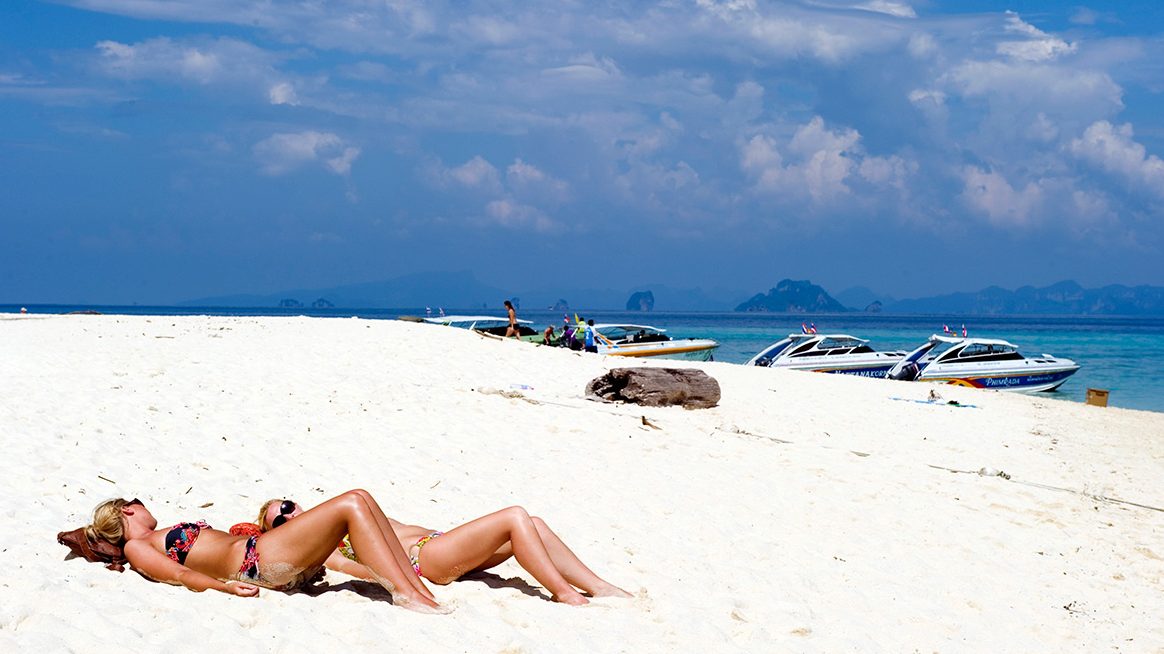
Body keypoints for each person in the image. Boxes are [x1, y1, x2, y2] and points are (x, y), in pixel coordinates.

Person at [83, 491, 446, 612]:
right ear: (127, 510)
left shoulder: (151, 538)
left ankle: (417, 591)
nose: (144, 507)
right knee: (352, 501)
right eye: (137, 503)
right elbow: (178, 575)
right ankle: (406, 594)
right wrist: (226, 588)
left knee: (361, 499)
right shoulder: (137, 545)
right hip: (256, 562)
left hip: (264, 556)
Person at [258, 499, 633, 606]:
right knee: (515, 516)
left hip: (439, 543)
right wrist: (402, 579)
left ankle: (597, 585)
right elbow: (361, 571)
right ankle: (565, 593)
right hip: (427, 559)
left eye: (287, 504)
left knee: (531, 521)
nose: (290, 513)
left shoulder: (340, 511)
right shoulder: (326, 546)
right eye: (281, 519)